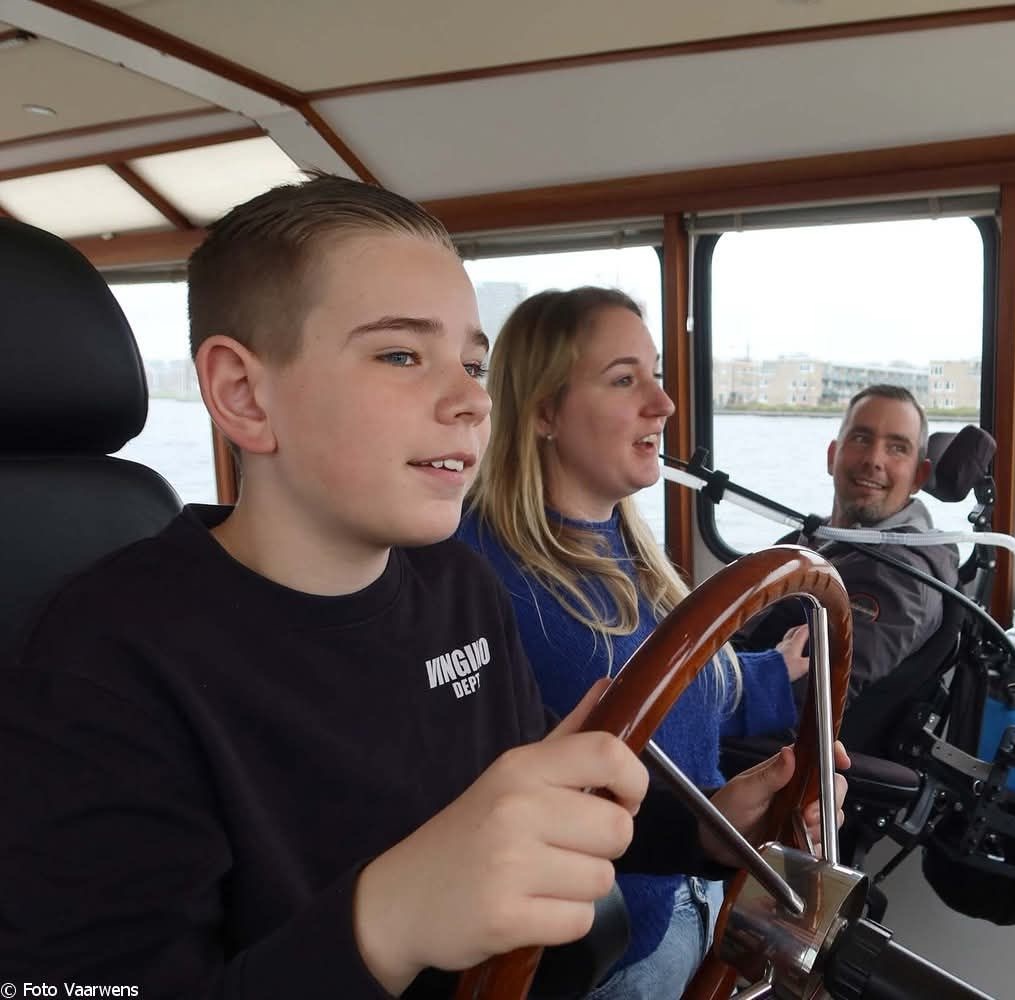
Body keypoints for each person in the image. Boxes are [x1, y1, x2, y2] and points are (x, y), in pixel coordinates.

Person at [0, 177, 844, 998]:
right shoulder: (106, 657)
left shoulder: (458, 587)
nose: (471, 403)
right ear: (243, 394)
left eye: (472, 364)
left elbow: (536, 797)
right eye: (401, 354)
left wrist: (704, 827)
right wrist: (386, 919)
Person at [456, 287, 811, 1000]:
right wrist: (713, 822)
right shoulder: (481, 575)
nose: (664, 403)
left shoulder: (627, 549)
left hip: (699, 899)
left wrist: (773, 675)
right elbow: (619, 708)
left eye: (655, 372)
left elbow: (668, 683)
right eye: (625, 379)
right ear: (546, 412)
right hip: (616, 949)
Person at [739, 385, 960, 702]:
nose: (874, 459)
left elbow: (802, 705)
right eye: (861, 439)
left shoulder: (897, 577)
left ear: (918, 478)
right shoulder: (811, 540)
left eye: (897, 448)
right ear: (832, 456)